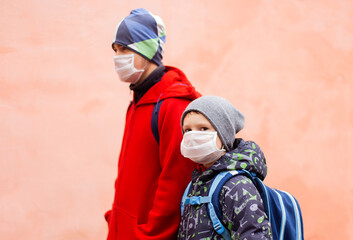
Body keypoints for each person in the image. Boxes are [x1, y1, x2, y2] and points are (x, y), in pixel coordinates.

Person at [105, 8, 201, 240]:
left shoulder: (172, 104)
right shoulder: (137, 101)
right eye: (116, 50)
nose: (118, 57)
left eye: (125, 49)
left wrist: (148, 234)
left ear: (146, 50)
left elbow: (176, 184)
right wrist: (115, 220)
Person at [177, 96, 272, 239]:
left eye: (203, 128)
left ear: (224, 134)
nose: (193, 136)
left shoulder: (237, 185)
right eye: (188, 130)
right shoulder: (195, 184)